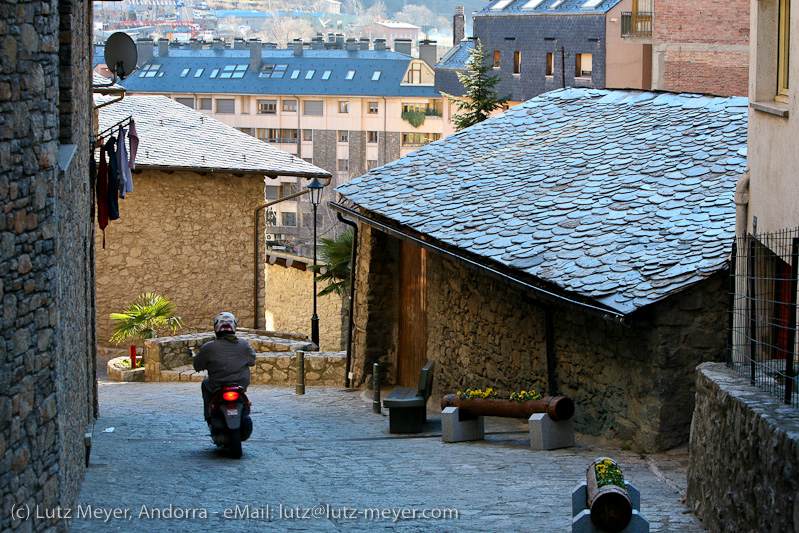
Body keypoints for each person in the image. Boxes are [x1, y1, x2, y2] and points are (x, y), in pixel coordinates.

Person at [193, 312, 256, 421]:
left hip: (217, 385)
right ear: (234, 326)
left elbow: (197, 365)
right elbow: (252, 361)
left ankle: (208, 416)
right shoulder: (244, 345)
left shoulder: (208, 347)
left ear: (216, 327)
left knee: (205, 383)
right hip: (240, 384)